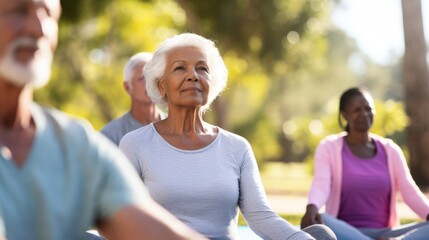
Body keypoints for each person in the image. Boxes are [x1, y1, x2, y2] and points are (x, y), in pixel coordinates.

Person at [0, 0, 207, 239]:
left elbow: (153, 230)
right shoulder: (115, 136)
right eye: (19, 11)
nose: (38, 29)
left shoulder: (76, 145)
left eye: (47, 15)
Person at [119, 32, 336, 240]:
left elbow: (260, 216)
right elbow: (124, 217)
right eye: (180, 68)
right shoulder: (135, 144)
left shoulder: (237, 147)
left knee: (321, 235)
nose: (193, 75)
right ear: (161, 85)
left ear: (210, 83)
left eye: (202, 68)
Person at [300, 87, 429, 239]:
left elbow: (409, 191)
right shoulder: (329, 147)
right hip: (344, 232)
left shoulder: (390, 150)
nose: (364, 114)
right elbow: (321, 183)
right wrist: (311, 207)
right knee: (323, 220)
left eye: (368, 109)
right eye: (357, 110)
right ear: (345, 115)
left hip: (387, 233)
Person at [101, 52, 161, 145]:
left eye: (153, 76)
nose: (149, 82)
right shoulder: (110, 135)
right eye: (142, 77)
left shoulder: (178, 128)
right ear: (127, 87)